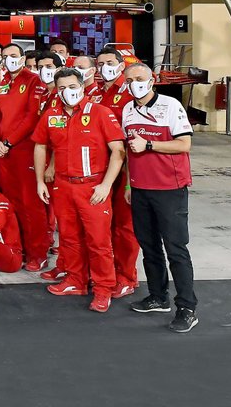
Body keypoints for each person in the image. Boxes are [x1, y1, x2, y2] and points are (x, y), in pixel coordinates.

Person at [32, 68, 126, 313]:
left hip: (92, 187)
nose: (68, 92)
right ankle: (75, 280)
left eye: (72, 86)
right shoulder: (52, 115)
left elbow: (118, 151)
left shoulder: (100, 113)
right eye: (62, 88)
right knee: (69, 237)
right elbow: (40, 146)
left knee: (99, 241)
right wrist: (40, 181)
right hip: (63, 186)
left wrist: (106, 185)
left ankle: (104, 288)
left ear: (83, 86)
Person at [120, 63, 199, 333]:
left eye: (139, 78)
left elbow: (184, 144)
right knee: (149, 246)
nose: (134, 84)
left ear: (151, 80)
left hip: (169, 189)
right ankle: (158, 296)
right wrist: (129, 184)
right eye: (129, 80)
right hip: (140, 189)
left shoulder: (170, 106)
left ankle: (187, 308)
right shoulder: (128, 110)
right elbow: (128, 151)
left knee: (176, 249)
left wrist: (150, 144)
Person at [0, 43, 48, 271]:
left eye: (13, 55)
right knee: (11, 203)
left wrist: (8, 142)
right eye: (5, 56)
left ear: (23, 58)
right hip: (4, 153)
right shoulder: (4, 81)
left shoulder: (34, 81)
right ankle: (18, 248)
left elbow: (32, 116)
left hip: (25, 150)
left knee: (31, 205)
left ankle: (38, 253)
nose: (9, 59)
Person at [94, 48, 141, 298]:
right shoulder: (96, 92)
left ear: (121, 65)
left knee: (125, 226)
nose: (105, 67)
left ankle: (126, 276)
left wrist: (130, 178)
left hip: (125, 168)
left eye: (110, 62)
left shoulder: (131, 92)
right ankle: (109, 272)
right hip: (99, 169)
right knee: (105, 225)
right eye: (100, 63)